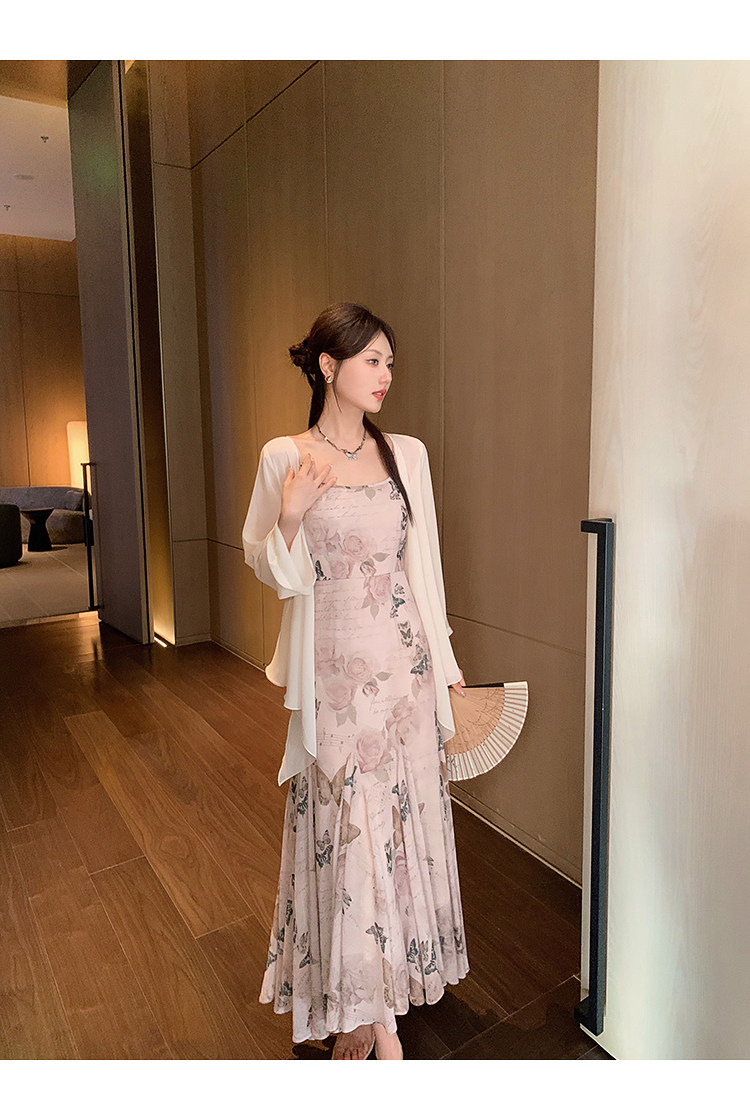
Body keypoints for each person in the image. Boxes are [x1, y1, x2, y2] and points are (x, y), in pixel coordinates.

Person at [242, 302, 469, 1060]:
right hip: (335, 676)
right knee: (347, 827)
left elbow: (423, 568)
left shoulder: (407, 454)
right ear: (329, 365)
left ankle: (380, 1008)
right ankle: (361, 1004)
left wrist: (445, 666)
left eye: (390, 362)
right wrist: (291, 515)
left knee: (397, 824)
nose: (386, 375)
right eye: (372, 360)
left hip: (403, 670)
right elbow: (267, 566)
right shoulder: (286, 457)